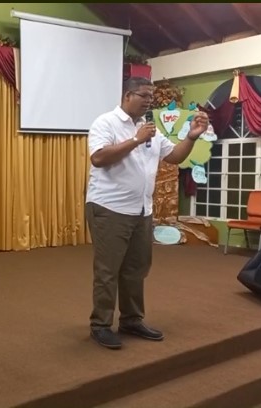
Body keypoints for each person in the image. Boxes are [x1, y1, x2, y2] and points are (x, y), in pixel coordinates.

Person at [85, 76, 209, 350]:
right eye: (144, 96)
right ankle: (100, 325)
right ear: (127, 96)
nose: (149, 101)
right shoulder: (105, 123)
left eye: (151, 97)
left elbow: (174, 157)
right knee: (108, 270)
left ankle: (131, 320)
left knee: (136, 269)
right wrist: (135, 140)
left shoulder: (149, 129)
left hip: (141, 210)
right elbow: (99, 158)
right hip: (109, 208)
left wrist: (191, 136)